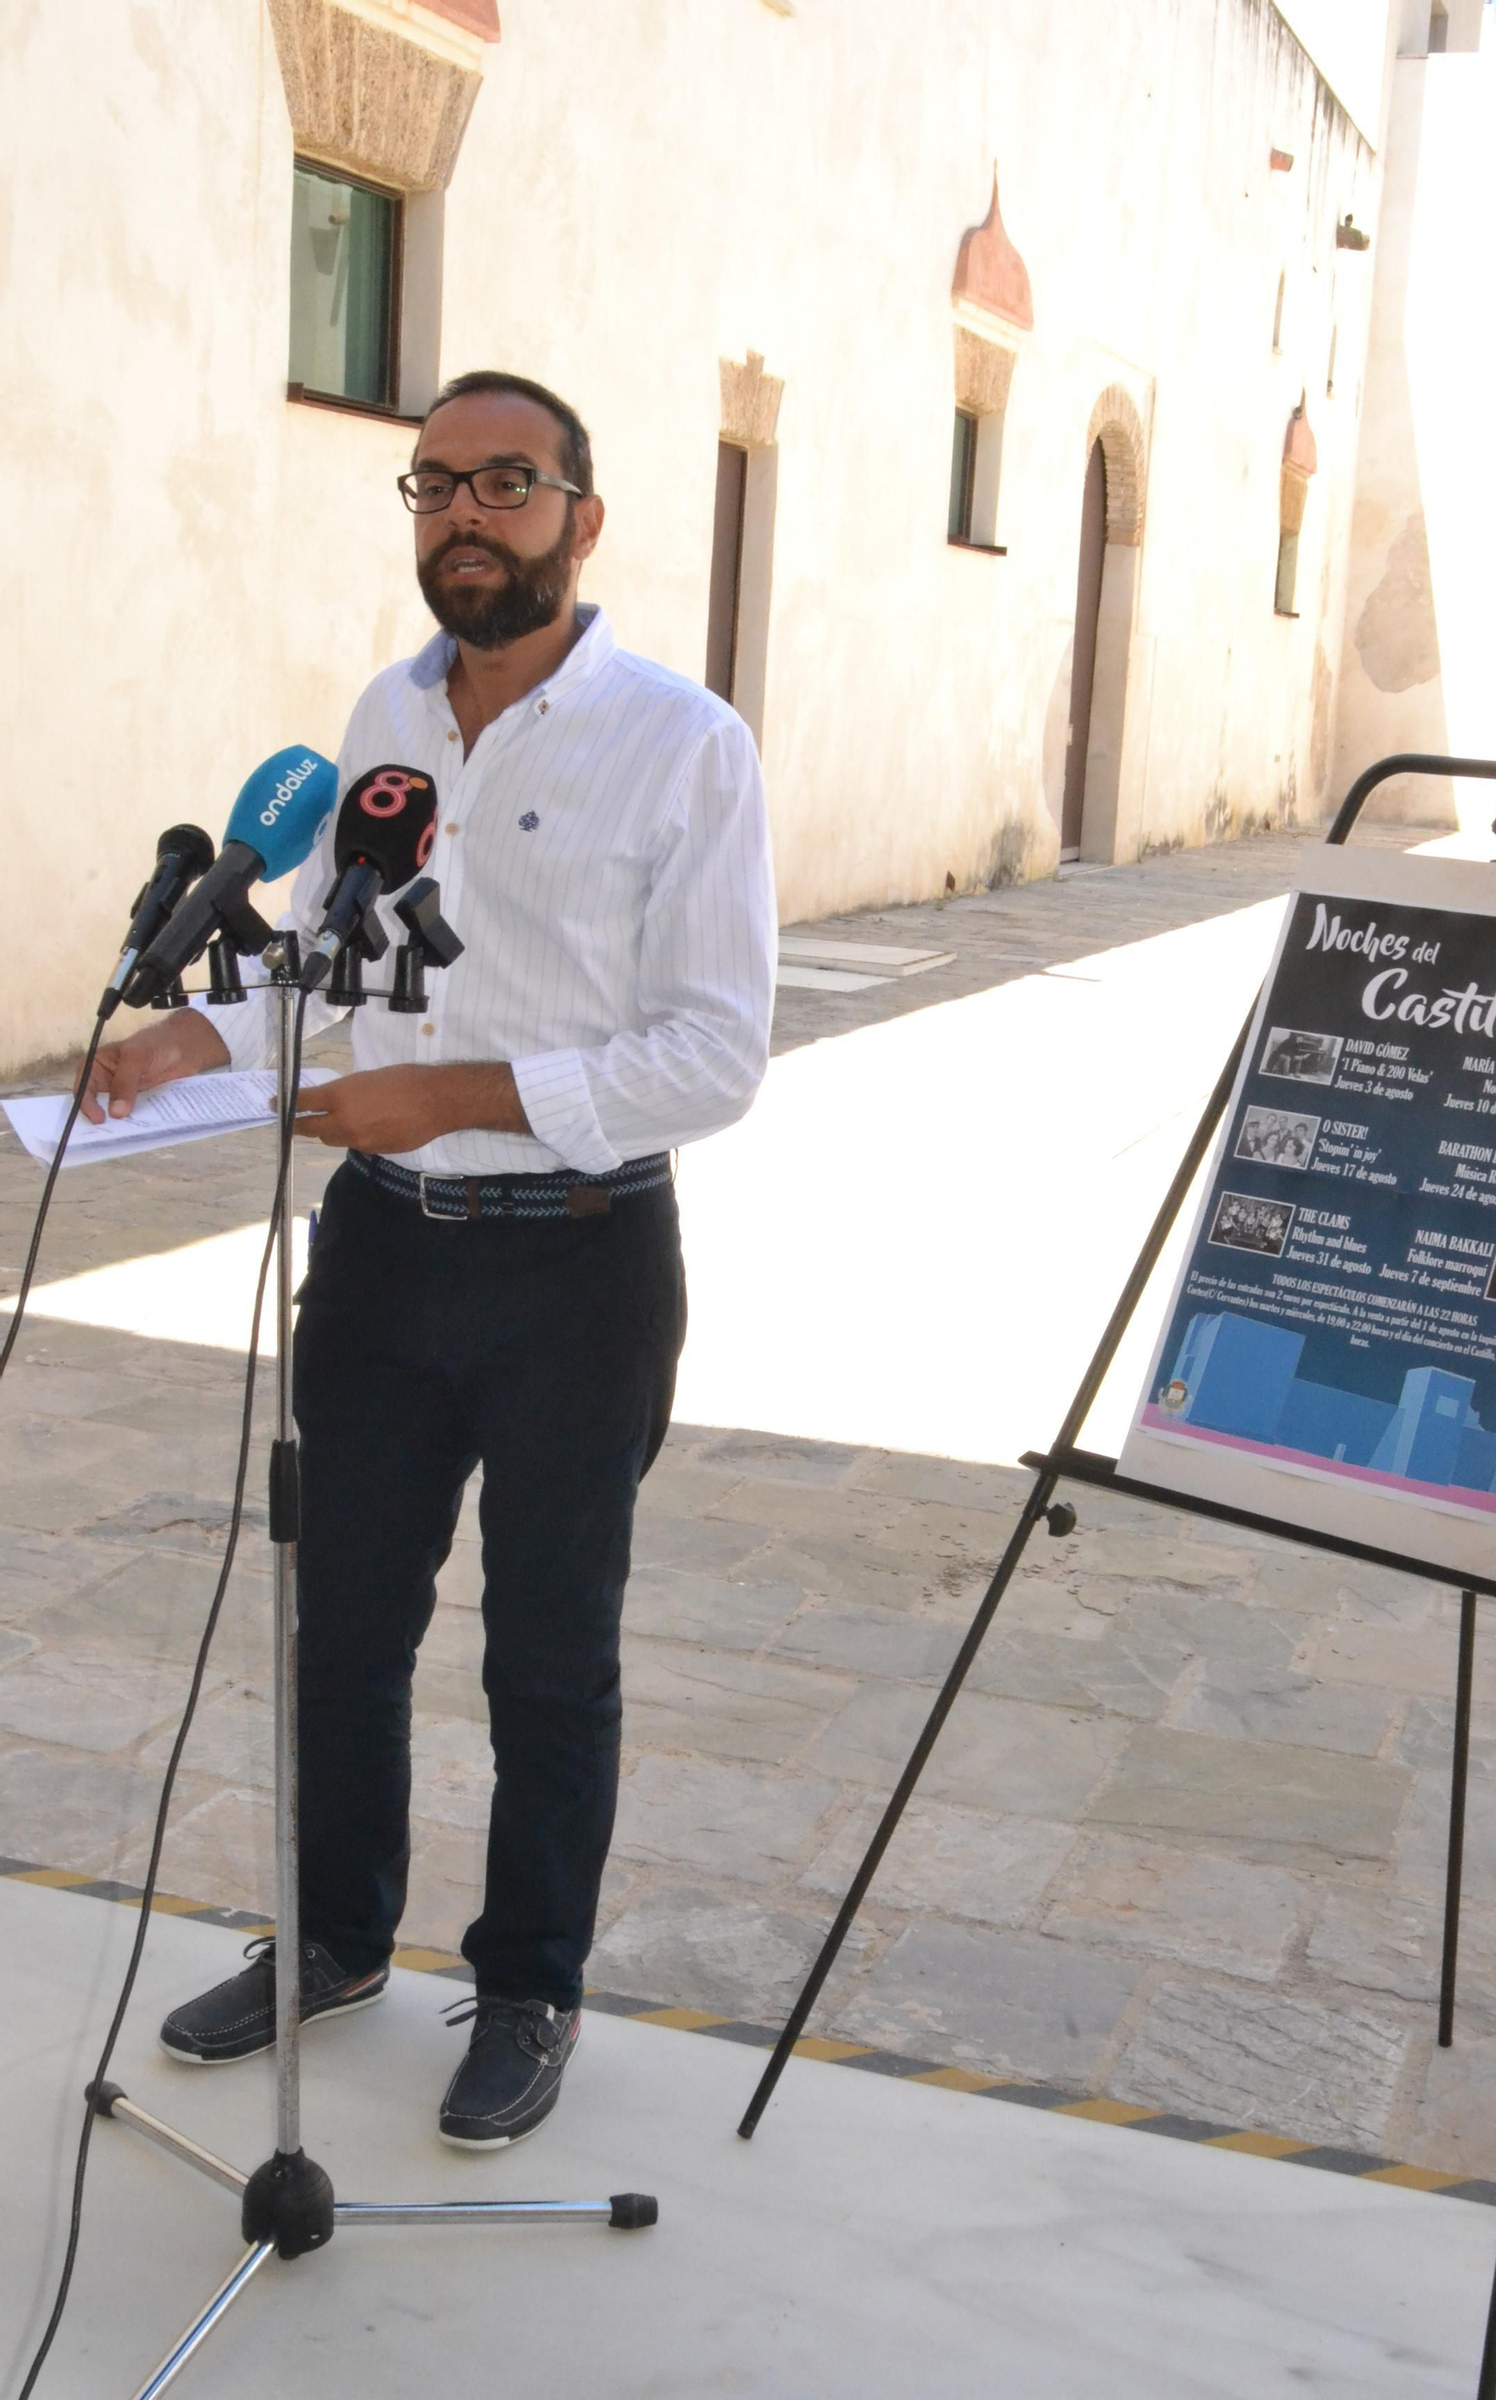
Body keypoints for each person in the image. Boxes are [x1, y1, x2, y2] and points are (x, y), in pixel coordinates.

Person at [82, 371, 777, 2147]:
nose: (466, 514)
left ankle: (530, 1984)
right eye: (436, 485)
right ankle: (329, 1941)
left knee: (549, 1652)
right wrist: (201, 1038)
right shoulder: (383, 719)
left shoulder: (684, 742)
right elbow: (334, 956)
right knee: (343, 1623)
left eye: (508, 484)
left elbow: (713, 1054)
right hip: (382, 1261)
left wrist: (461, 1095)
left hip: (577, 1264)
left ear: (581, 519)